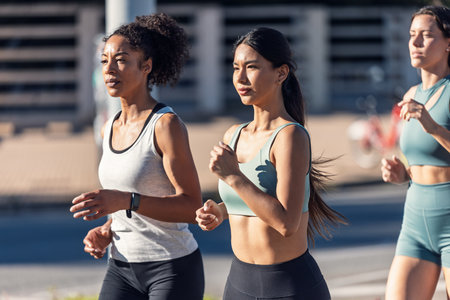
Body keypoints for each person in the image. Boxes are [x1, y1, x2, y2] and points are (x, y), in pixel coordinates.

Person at [195, 27, 346, 300]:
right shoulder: (233, 134)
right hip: (239, 284)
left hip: (290, 287)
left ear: (281, 73)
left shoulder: (291, 136)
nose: (240, 78)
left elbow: (287, 223)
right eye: (236, 68)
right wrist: (220, 210)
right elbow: (250, 202)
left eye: (251, 67)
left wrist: (233, 177)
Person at [69, 13, 204, 300]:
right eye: (105, 60)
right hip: (121, 266)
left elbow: (192, 207)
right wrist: (107, 228)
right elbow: (128, 206)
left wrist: (125, 200)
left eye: (121, 60)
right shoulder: (109, 127)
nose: (109, 69)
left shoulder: (165, 125)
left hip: (172, 267)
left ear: (146, 66)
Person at [381, 5, 450, 300]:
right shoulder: (410, 95)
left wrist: (431, 125)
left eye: (426, 36)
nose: (416, 43)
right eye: (412, 35)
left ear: (448, 43)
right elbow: (426, 160)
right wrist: (402, 174)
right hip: (415, 221)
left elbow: (435, 136)